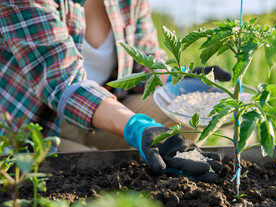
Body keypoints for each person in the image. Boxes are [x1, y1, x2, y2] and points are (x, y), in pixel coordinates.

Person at [0, 0, 225, 182]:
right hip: (43, 124)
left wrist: (183, 79)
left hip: (108, 113)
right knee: (99, 171)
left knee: (191, 104)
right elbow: (62, 83)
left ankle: (167, 172)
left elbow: (143, 64)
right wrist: (137, 127)